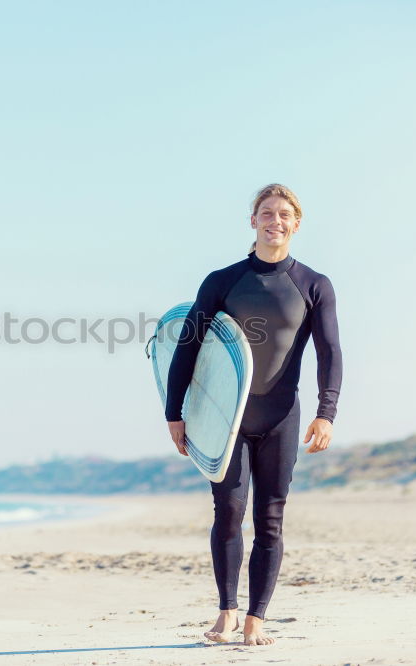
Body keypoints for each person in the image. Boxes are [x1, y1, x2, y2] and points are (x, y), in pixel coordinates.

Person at [164, 183, 343, 646]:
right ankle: (227, 612)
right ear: (253, 221)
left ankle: (256, 620)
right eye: (267, 213)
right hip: (226, 419)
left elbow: (330, 352)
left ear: (296, 224)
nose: (275, 221)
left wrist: (327, 412)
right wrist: (175, 411)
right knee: (228, 510)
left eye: (284, 214)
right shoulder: (223, 281)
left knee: (270, 518)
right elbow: (188, 347)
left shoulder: (313, 285)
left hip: (281, 414)